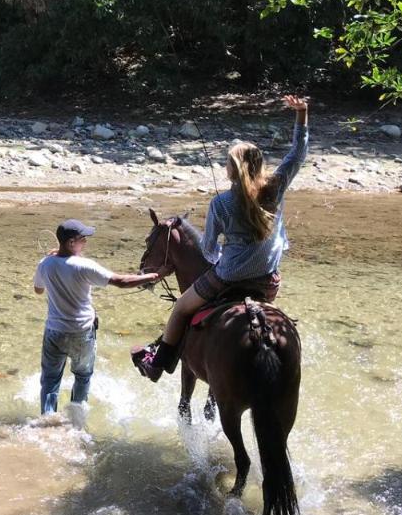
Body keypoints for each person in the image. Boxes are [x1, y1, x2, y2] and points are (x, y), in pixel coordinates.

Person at [133, 95, 310, 382]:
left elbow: (209, 250)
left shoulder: (221, 203)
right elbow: (298, 153)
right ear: (260, 165)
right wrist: (302, 113)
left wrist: (220, 261)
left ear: (231, 169)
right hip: (268, 280)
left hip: (228, 277)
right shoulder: (275, 188)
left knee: (180, 309)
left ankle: (157, 365)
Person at [34, 219, 159, 414]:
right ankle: (76, 421)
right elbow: (122, 281)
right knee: (82, 376)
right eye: (83, 239)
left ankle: (48, 420)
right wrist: (153, 276)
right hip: (81, 332)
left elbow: (38, 290)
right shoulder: (85, 266)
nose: (85, 242)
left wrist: (52, 261)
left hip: (54, 332)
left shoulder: (45, 263)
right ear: (71, 243)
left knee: (50, 381)